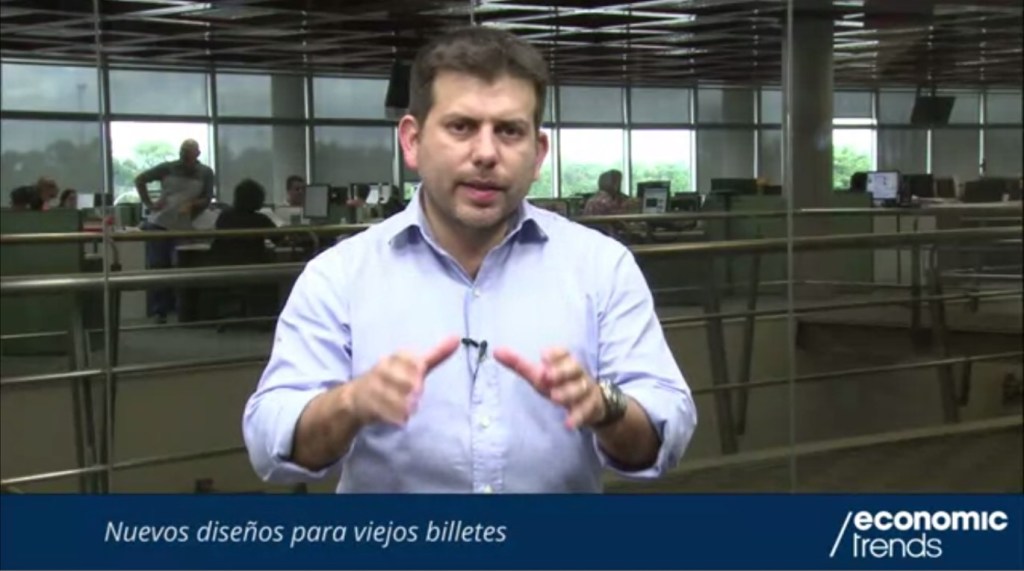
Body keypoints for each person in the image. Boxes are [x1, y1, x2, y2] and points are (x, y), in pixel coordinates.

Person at [242, 26, 697, 493]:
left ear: (538, 153)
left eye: (509, 131)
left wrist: (606, 406)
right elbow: (269, 439)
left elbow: (667, 428)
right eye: (461, 127)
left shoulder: (601, 267)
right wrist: (350, 403)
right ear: (412, 141)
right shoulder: (339, 276)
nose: (486, 154)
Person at [134, 139, 215, 323]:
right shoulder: (168, 168)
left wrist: (192, 204)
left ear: (197, 154)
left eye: (188, 152)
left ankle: (182, 310)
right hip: (159, 223)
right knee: (158, 266)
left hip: (184, 225)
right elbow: (140, 179)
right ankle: (159, 311)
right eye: (182, 151)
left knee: (183, 267)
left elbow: (207, 198)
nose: (184, 155)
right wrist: (149, 203)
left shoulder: (205, 172)